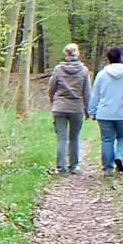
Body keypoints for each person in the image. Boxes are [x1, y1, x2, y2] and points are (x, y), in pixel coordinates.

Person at [87, 45, 123, 173]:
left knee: (107, 140)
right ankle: (120, 156)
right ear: (121, 57)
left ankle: (108, 169)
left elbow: (95, 94)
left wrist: (91, 111)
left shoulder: (102, 74)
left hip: (105, 113)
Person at [44, 42, 91, 174]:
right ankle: (74, 166)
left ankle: (60, 168)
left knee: (61, 138)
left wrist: (52, 100)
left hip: (59, 107)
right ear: (78, 53)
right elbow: (87, 92)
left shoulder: (58, 69)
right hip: (76, 108)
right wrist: (88, 109)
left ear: (65, 54)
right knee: (74, 137)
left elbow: (51, 87)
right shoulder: (83, 70)